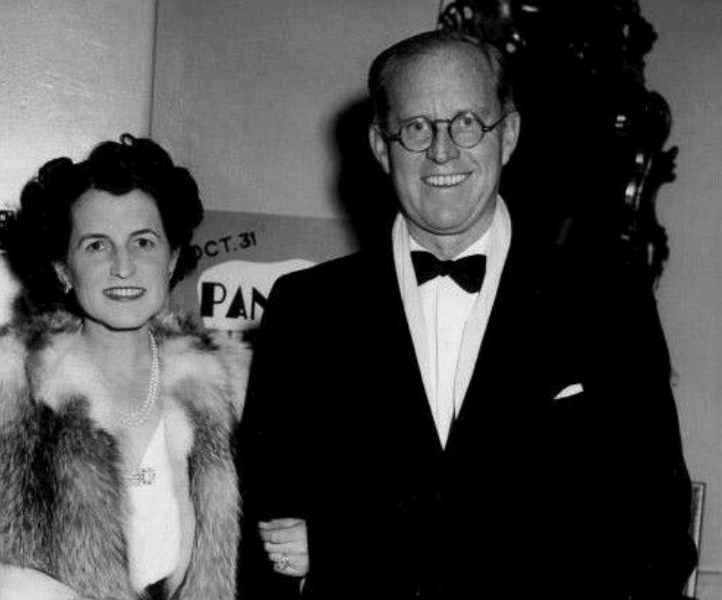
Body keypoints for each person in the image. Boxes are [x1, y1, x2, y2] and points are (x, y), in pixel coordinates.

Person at [238, 30, 696, 600]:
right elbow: (267, 545)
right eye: (416, 127)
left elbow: (655, 533)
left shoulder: (605, 302)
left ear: (509, 135)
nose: (442, 151)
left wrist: (343, 543)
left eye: (468, 123)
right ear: (381, 148)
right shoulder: (307, 310)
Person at [0, 134, 250, 600]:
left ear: (171, 259)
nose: (124, 266)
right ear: (63, 268)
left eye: (144, 242)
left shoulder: (230, 388)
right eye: (96, 246)